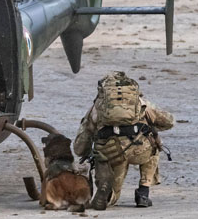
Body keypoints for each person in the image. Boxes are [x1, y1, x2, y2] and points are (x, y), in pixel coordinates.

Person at [73, 71, 174, 210]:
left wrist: (85, 152)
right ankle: (143, 193)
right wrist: (150, 126)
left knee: (114, 188)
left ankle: (108, 195)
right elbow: (169, 121)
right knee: (154, 146)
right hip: (139, 150)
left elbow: (81, 144)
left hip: (111, 152)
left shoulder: (97, 107)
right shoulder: (141, 104)